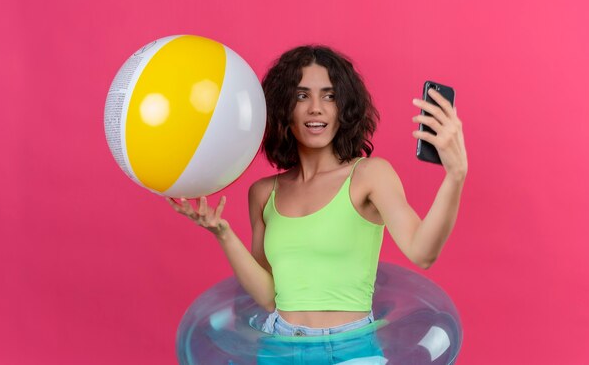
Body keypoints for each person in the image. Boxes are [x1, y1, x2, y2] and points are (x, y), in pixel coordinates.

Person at [167, 45, 467, 361]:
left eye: (329, 96)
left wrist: (455, 175)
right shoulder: (263, 192)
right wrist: (223, 233)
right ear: (283, 108)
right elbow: (269, 297)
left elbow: (423, 253)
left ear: (344, 107)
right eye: (301, 96)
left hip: (351, 348)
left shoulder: (369, 175)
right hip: (280, 345)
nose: (316, 108)